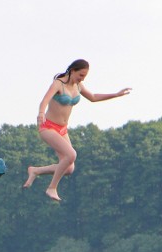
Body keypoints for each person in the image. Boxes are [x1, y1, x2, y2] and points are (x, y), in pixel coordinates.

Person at [23, 59, 131, 201]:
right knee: (71, 155)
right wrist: (41, 113)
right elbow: (44, 101)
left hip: (62, 130)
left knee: (68, 169)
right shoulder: (58, 84)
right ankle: (52, 188)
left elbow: (93, 97)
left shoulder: (78, 86)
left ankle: (36, 171)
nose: (82, 79)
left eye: (84, 76)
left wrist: (115, 95)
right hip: (48, 127)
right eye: (80, 75)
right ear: (72, 70)